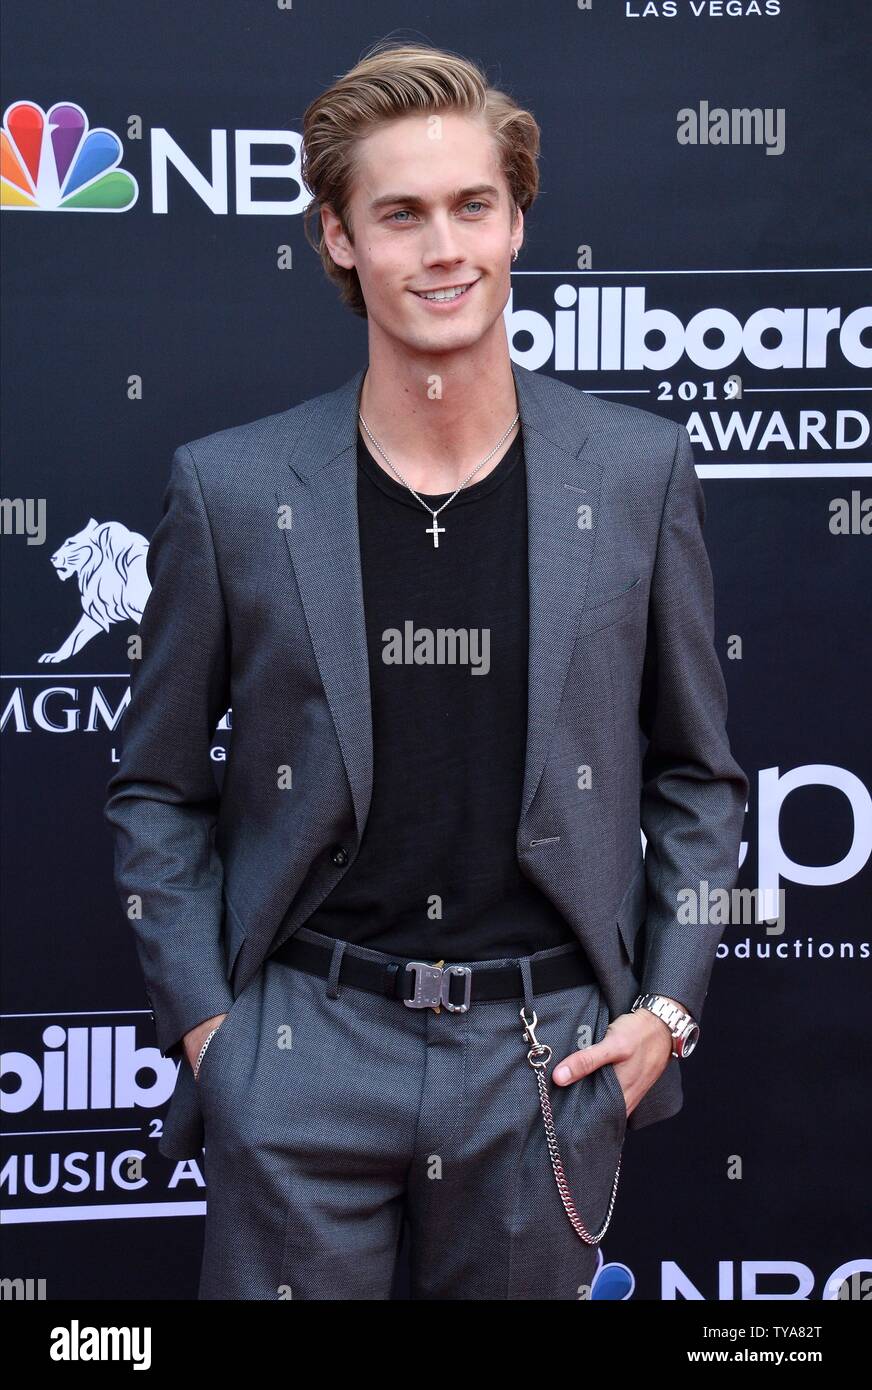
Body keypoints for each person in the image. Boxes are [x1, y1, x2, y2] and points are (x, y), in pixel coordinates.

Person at [104, 38, 749, 1300]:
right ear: (338, 239)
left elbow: (698, 780)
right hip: (299, 1049)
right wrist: (215, 1038)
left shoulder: (633, 475)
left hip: (543, 1055)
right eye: (399, 213)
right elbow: (155, 792)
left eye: (471, 206)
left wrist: (661, 1016)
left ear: (515, 225)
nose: (442, 247)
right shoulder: (231, 492)